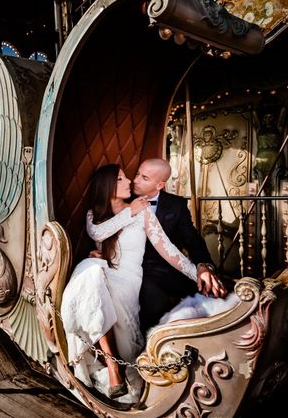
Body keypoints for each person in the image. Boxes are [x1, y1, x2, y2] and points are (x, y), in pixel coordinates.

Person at [61, 164, 201, 401]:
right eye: (121, 179)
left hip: (127, 282)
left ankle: (115, 364)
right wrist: (130, 212)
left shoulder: (143, 211)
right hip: (104, 277)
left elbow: (168, 250)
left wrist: (200, 274)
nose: (128, 182)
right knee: (91, 268)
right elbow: (98, 233)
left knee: (93, 269)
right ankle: (112, 364)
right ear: (107, 186)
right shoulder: (94, 214)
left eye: (127, 177)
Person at [132, 158, 228, 333]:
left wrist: (203, 266)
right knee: (154, 302)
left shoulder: (176, 204)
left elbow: (192, 239)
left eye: (144, 178)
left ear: (160, 185)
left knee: (215, 290)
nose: (135, 180)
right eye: (137, 174)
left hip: (170, 268)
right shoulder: (125, 200)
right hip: (139, 271)